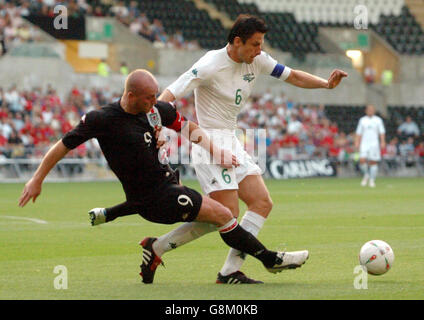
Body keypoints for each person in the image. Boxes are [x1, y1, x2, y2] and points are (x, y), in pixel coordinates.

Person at [18, 69, 309, 284]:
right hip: (156, 199)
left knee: (220, 215)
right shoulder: (102, 120)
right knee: (224, 214)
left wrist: (215, 150)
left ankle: (152, 246)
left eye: (156, 96)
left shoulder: (156, 110)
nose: (154, 101)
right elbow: (62, 145)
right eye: (148, 97)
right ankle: (267, 260)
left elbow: (189, 127)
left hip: (168, 185)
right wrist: (37, 179)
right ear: (131, 96)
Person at [150, 14, 346, 284]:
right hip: (209, 144)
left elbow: (294, 77)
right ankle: (158, 248)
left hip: (232, 139)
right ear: (237, 41)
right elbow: (168, 96)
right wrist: (156, 128)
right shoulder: (210, 64)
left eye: (261, 44)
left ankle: (229, 271)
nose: (259, 50)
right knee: (225, 215)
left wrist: (325, 84)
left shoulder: (258, 60)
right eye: (254, 44)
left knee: (261, 202)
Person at [354, 104, 386, 188]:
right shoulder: (362, 120)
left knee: (373, 162)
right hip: (364, 143)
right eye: (369, 109)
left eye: (372, 109)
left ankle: (372, 180)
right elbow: (358, 132)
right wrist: (357, 142)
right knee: (362, 160)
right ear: (366, 111)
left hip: (374, 143)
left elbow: (381, 132)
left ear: (374, 111)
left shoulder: (378, 120)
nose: (370, 111)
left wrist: (382, 142)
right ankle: (366, 174)